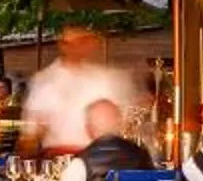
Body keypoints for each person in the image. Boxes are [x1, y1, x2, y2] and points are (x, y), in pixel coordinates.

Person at [22, 27, 135, 159]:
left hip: (101, 158)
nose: (77, 47)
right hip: (58, 159)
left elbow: (126, 121)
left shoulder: (106, 78)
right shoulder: (45, 81)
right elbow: (31, 133)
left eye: (82, 41)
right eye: (70, 43)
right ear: (62, 46)